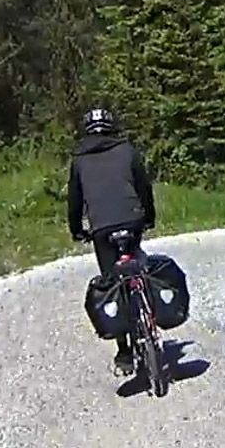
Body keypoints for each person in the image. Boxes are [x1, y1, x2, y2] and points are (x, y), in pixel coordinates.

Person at [67, 106, 156, 375]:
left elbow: (74, 200)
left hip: (102, 229)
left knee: (112, 280)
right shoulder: (127, 150)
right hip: (132, 219)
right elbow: (144, 187)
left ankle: (124, 351)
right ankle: (149, 311)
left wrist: (77, 230)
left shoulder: (79, 160)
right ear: (112, 128)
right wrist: (148, 216)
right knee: (137, 264)